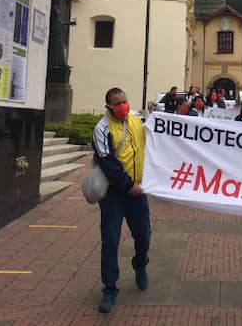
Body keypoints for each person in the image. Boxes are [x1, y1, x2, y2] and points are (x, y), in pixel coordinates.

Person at [91, 88, 150, 314]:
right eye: (117, 103)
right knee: (110, 240)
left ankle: (140, 264)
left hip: (138, 191)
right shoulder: (102, 129)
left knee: (143, 235)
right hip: (114, 194)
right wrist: (128, 186)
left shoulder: (137, 119)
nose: (123, 105)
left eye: (125, 101)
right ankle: (109, 288)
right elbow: (108, 163)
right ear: (108, 107)